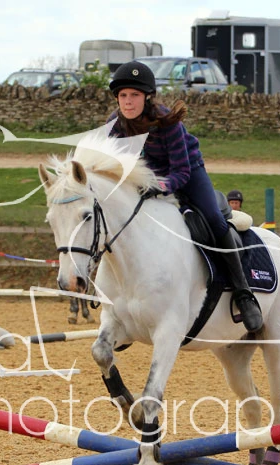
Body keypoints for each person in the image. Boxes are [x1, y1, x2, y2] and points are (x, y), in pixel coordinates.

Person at [107, 61, 262, 332]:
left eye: (134, 95)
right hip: (144, 179)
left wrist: (160, 186)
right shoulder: (114, 125)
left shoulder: (167, 122)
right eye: (123, 95)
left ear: (147, 97)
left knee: (213, 219)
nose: (128, 101)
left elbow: (181, 171)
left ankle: (243, 292)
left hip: (187, 172)